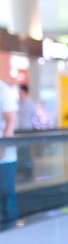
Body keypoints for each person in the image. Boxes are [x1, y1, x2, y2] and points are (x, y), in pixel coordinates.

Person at [0, 79, 19, 224]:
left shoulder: (2, 88)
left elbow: (11, 120)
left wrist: (3, 147)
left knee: (6, 200)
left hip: (4, 158)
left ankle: (11, 235)